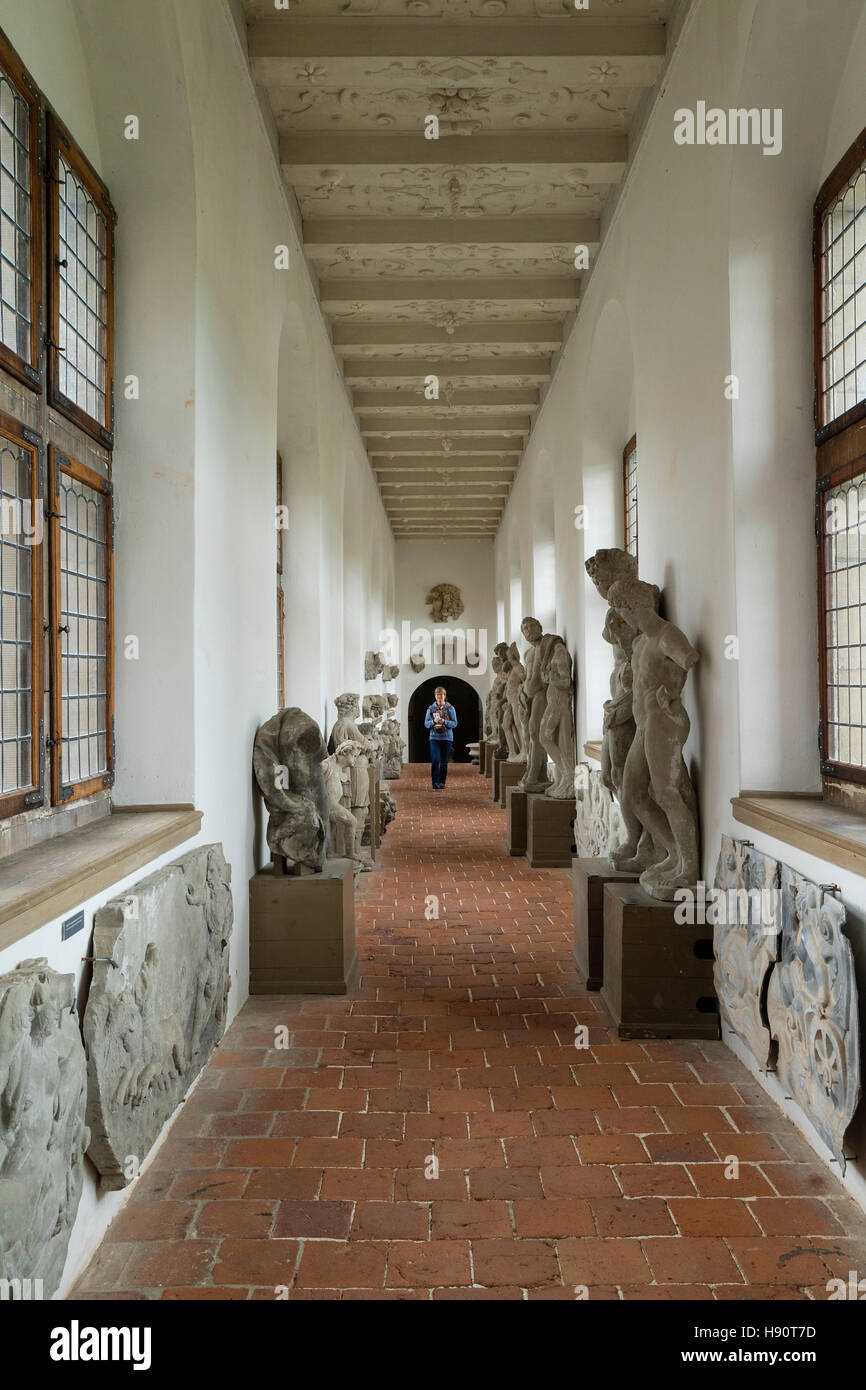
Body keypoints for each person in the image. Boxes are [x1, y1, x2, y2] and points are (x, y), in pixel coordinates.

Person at [424, 686, 457, 789]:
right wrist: (434, 721)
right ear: (435, 696)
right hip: (434, 738)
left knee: (443, 762)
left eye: (441, 694)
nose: (439, 697)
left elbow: (455, 723)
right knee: (435, 760)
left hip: (447, 738)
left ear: (445, 696)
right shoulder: (430, 709)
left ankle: (442, 782)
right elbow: (426, 724)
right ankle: (435, 782)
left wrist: (444, 722)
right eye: (438, 695)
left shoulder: (450, 708)